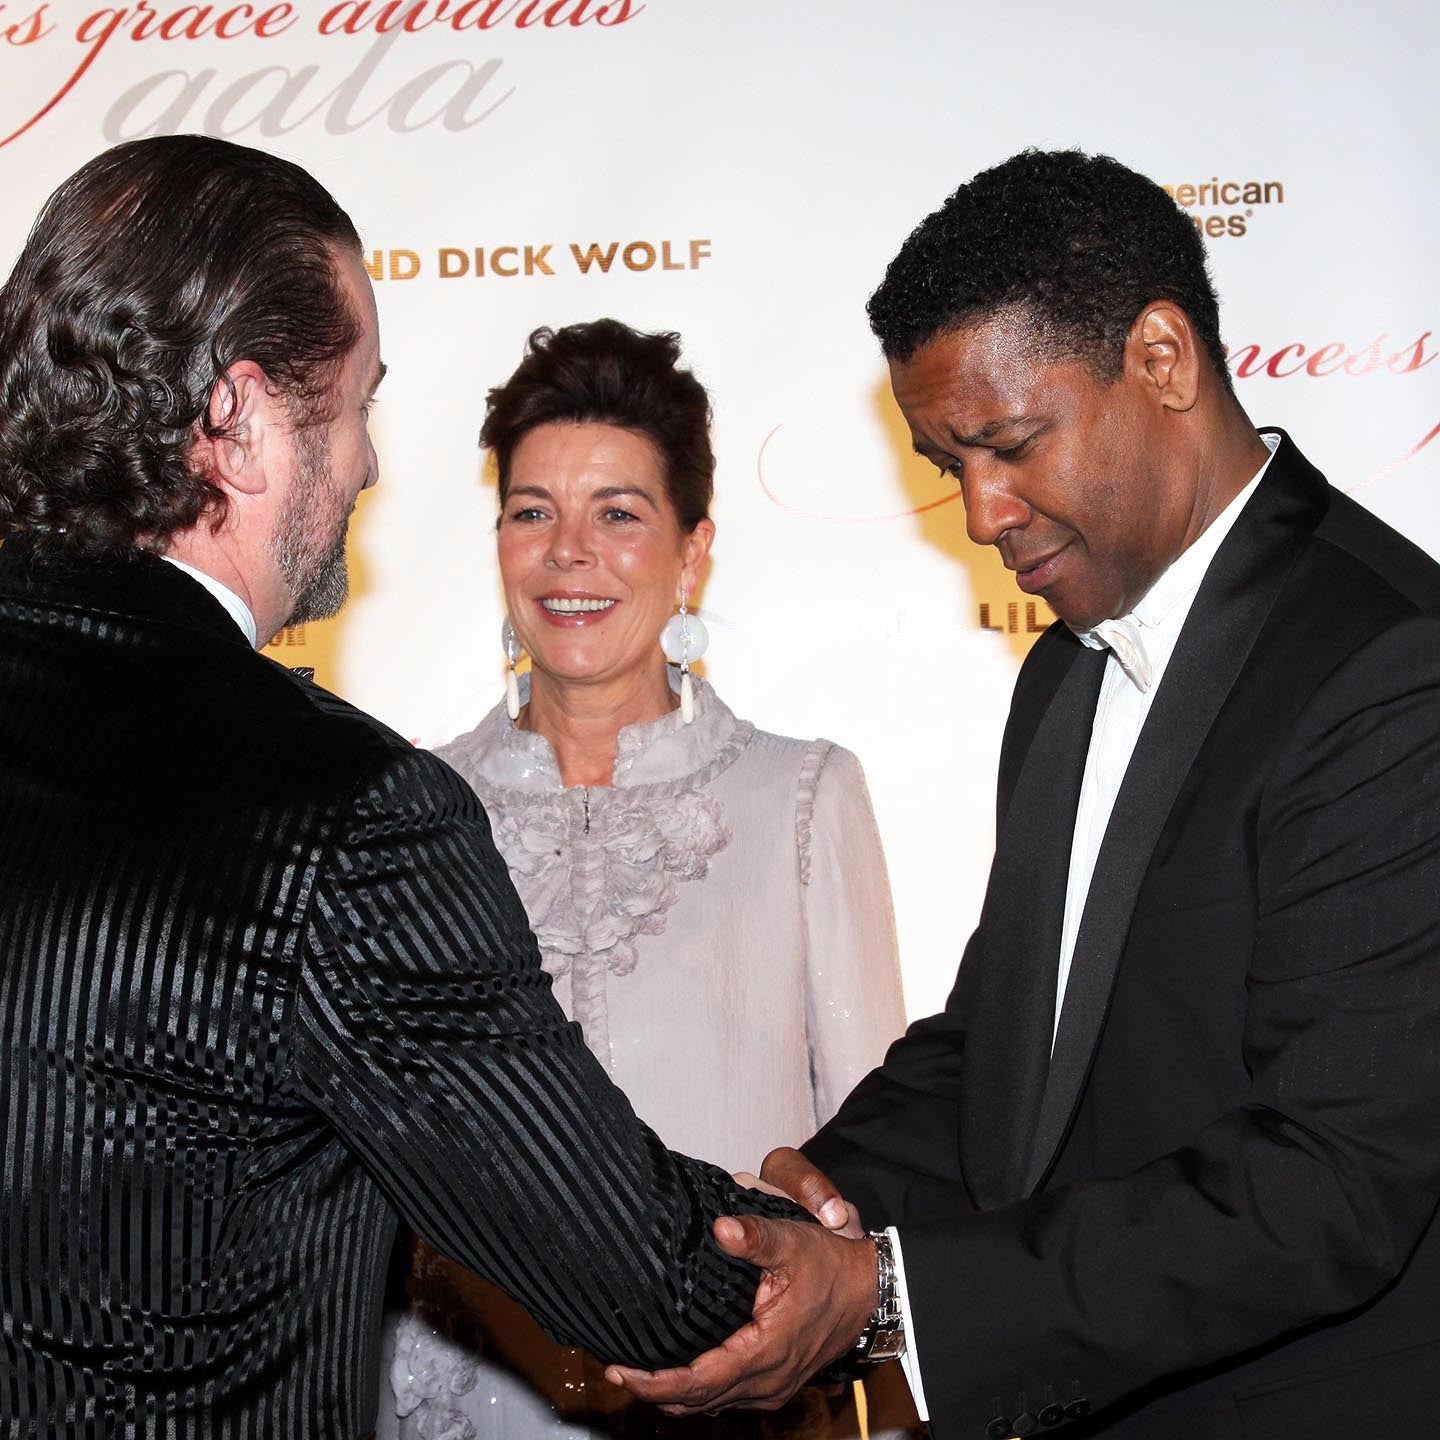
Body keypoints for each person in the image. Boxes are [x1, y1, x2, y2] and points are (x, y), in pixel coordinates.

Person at [609, 149, 1440, 1439]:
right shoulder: (1065, 675)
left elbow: (1329, 1185)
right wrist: (796, 1213)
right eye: (950, 465)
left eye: (1007, 444)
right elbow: (1008, 1039)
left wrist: (889, 1293)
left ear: (1162, 359)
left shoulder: (1392, 666)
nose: (984, 514)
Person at [0, 137, 808, 1439]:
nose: (369, 465)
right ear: (243, 419)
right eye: (362, 399)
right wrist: (841, 1270)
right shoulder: (337, 811)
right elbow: (634, 1274)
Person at [380, 318, 911, 1440]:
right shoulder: (409, 810)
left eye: (618, 513)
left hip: (733, 1409)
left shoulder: (801, 798)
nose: (569, 553)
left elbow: (870, 1161)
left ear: (692, 550)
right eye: (532, 513)